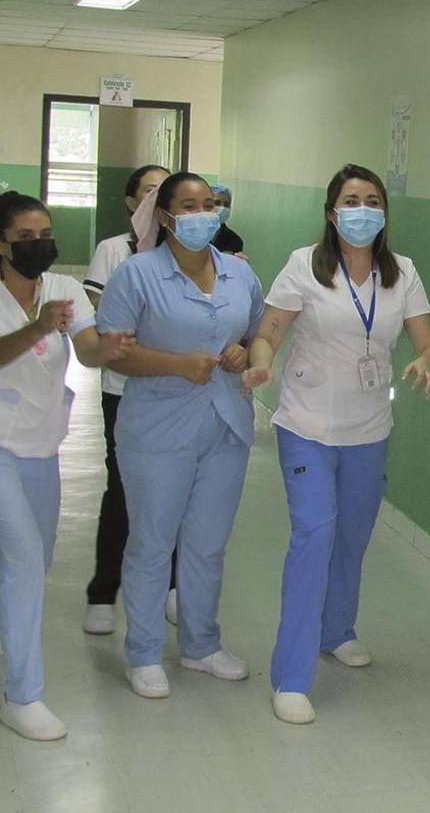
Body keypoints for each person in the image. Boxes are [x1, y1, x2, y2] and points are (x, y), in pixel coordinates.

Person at [243, 163, 430, 725]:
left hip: (369, 429)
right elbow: (268, 334)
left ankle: (338, 630)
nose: (362, 210)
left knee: (352, 535)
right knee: (315, 534)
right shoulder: (303, 266)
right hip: (305, 424)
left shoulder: (402, 272)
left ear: (384, 212)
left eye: (372, 200)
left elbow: (428, 341)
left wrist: (426, 362)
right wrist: (261, 366)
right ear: (332, 212)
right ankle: (291, 676)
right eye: (351, 200)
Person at [96, 172, 264, 700]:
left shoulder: (240, 275)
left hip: (226, 424)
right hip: (157, 429)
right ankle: (143, 652)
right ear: (165, 217)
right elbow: (112, 349)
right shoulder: (137, 275)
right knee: (152, 541)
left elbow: (259, 332)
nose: (202, 215)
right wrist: (174, 364)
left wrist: (245, 352)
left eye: (210, 205)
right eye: (188, 206)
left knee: (207, 544)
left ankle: (200, 644)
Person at [0, 192, 131, 739]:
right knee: (25, 561)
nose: (40, 245)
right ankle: (22, 694)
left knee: (34, 559)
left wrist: (110, 347)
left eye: (45, 234)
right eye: (25, 238)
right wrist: (36, 328)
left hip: (41, 448)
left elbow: (88, 351)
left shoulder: (65, 289)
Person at [81, 163, 177, 635]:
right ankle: (103, 591)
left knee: (180, 489)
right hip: (125, 389)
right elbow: (101, 313)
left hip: (180, 390)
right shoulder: (113, 251)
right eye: (148, 190)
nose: (157, 197)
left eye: (166, 189)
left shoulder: (190, 251)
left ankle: (175, 587)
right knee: (123, 489)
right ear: (130, 201)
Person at [209, 185, 243, 255]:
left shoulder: (235, 240)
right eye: (217, 203)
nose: (222, 208)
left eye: (226, 205)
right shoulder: (192, 234)